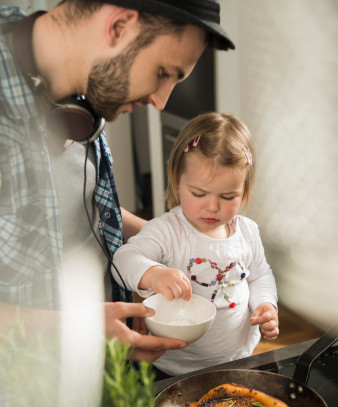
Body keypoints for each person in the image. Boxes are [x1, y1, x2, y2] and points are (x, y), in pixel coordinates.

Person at [0, 1, 235, 361]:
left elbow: (80, 210)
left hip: (103, 378)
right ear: (119, 27)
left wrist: (183, 242)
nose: (160, 100)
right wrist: (78, 328)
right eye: (163, 72)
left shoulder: (84, 94)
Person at [113, 112, 279, 376]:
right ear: (177, 181)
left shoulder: (247, 233)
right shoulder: (167, 230)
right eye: (199, 194)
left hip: (238, 359)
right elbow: (123, 259)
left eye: (228, 196)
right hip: (174, 367)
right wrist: (153, 274)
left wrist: (266, 305)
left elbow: (260, 276)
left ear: (244, 191)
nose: (212, 206)